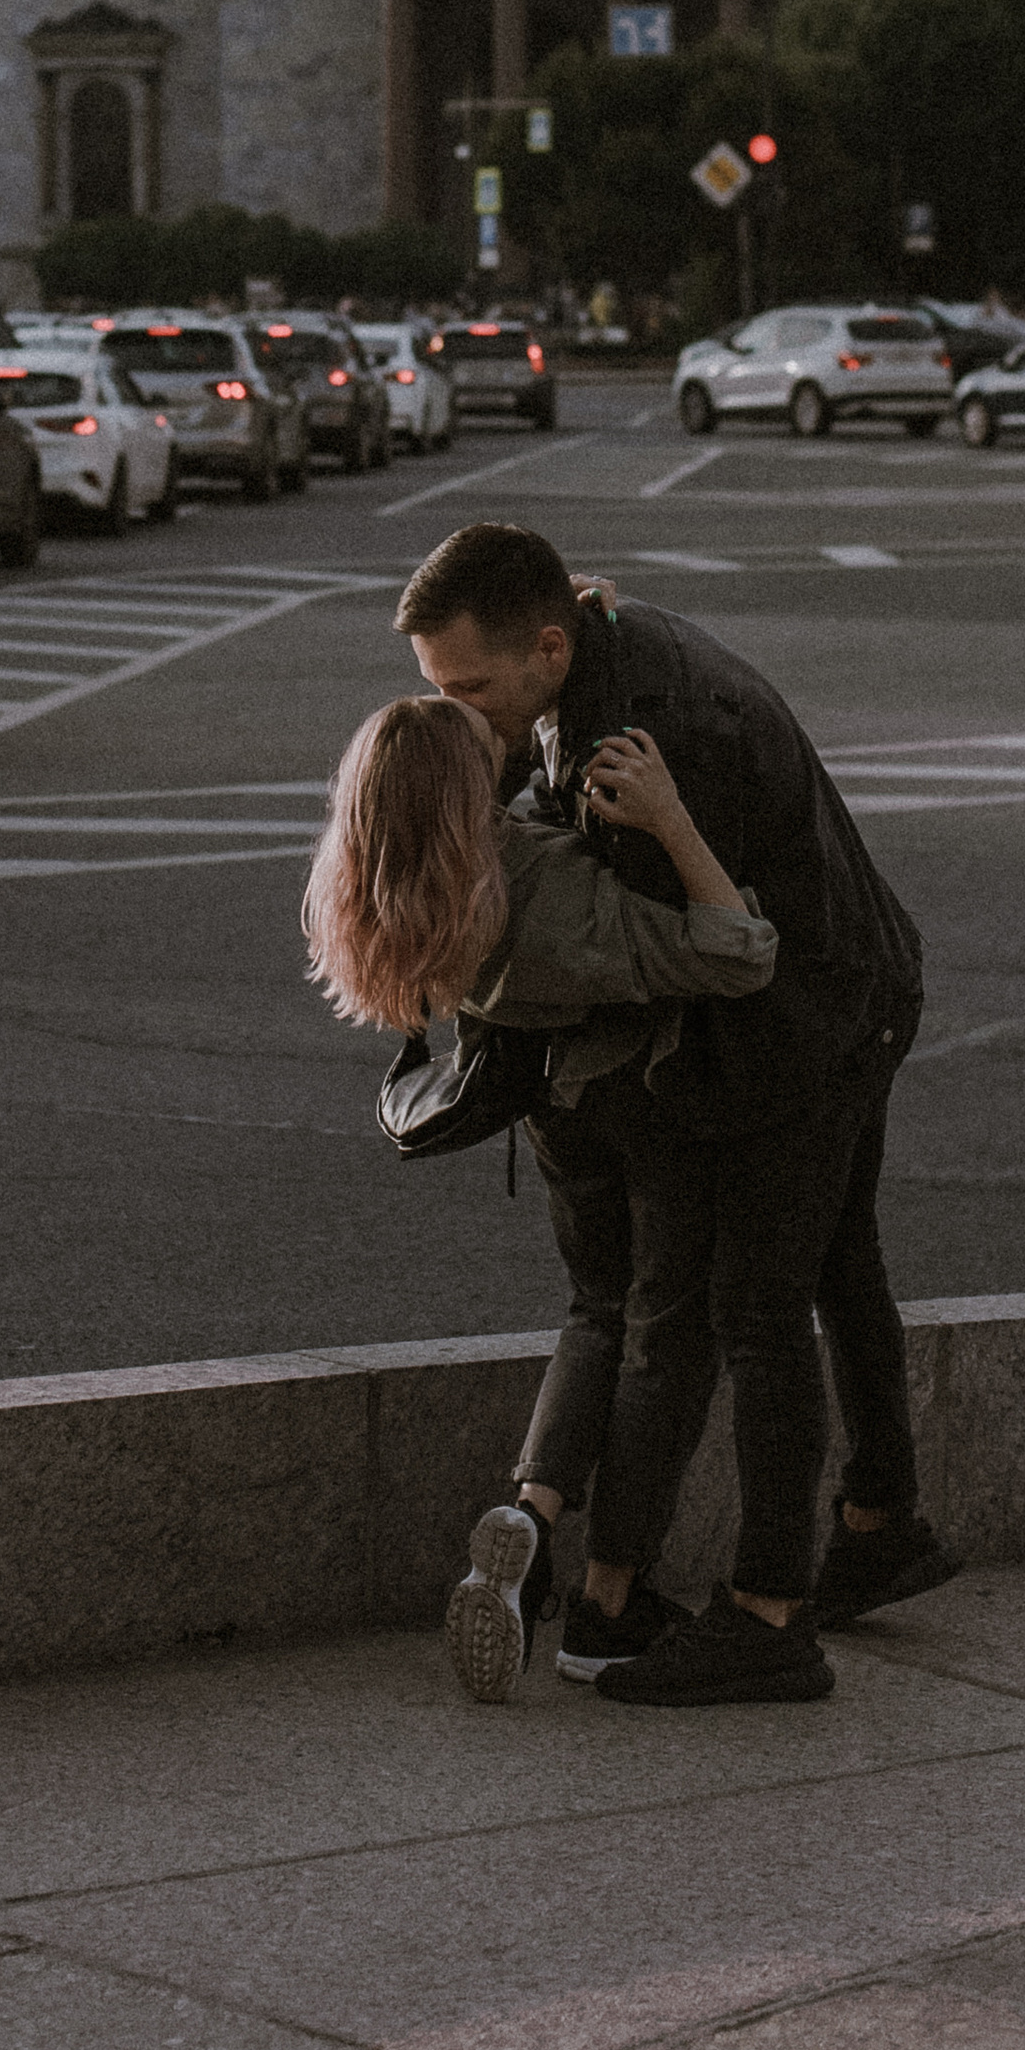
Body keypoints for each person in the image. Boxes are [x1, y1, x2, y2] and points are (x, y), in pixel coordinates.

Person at [396, 522, 956, 1711]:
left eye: (468, 689)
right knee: (839, 1267)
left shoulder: (647, 741)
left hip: (807, 1019)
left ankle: (768, 1617)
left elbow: (708, 956)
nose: (452, 711)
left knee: (756, 1309)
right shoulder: (594, 659)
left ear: (548, 646)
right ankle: (878, 1521)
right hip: (856, 983)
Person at [304, 690, 779, 1705]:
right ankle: (610, 1602)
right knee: (666, 1332)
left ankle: (531, 1510)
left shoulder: (418, 886)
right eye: (490, 750)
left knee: (594, 1311)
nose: (512, 742)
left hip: (553, 1114)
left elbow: (505, 786)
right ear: (463, 796)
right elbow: (738, 950)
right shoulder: (549, 892)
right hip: (642, 1110)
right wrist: (669, 821)